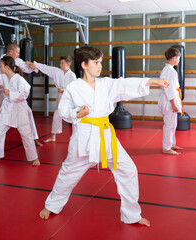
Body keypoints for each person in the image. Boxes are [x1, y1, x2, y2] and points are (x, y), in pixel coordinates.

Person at [39, 46, 169, 226]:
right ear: (84, 65)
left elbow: (124, 85)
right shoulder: (74, 87)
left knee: (128, 169)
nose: (100, 66)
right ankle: (52, 205)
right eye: (96, 62)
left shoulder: (105, 84)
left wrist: (152, 82)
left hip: (105, 136)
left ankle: (132, 214)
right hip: (83, 138)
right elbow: (63, 110)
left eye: (101, 62)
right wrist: (78, 113)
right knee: (68, 173)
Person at [0, 43, 43, 147]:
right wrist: (6, 88)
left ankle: (33, 138)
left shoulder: (17, 61)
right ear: (11, 52)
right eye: (17, 52)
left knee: (28, 112)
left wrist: (35, 66)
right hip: (2, 93)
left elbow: (27, 68)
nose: (18, 54)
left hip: (15, 94)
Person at [26, 56, 76, 142]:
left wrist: (64, 90)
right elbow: (47, 68)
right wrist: (36, 65)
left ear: (68, 64)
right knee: (57, 115)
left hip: (69, 98)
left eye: (62, 63)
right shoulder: (57, 72)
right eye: (60, 63)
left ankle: (76, 137)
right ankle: (53, 136)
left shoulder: (72, 75)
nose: (60, 65)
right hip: (61, 96)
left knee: (73, 116)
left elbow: (74, 88)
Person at [158, 47, 183, 155]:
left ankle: (171, 143)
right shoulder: (171, 71)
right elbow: (169, 88)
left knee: (173, 124)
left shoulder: (167, 69)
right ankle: (166, 147)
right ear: (174, 58)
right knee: (169, 125)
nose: (179, 60)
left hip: (169, 98)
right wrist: (173, 103)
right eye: (178, 58)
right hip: (169, 101)